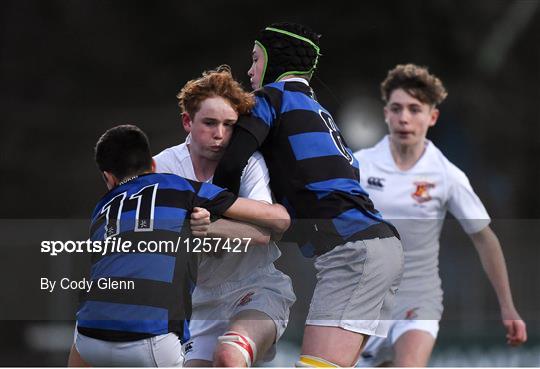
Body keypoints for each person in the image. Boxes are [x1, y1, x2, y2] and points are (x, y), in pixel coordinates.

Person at [212, 23, 404, 367]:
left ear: (274, 60)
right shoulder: (320, 112)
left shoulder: (271, 99)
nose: (250, 70)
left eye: (255, 60)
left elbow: (232, 161)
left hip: (352, 251)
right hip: (381, 246)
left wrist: (214, 211)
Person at [71, 124, 290, 367]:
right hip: (152, 341)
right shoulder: (178, 187)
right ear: (153, 165)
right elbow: (268, 223)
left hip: (88, 339)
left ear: (108, 178)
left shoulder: (100, 210)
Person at [354, 64, 527, 367]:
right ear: (385, 114)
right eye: (396, 108)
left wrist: (508, 307)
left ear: (432, 117)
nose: (404, 118)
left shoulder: (446, 174)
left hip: (419, 298)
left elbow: (485, 240)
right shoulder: (359, 165)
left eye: (414, 109)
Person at [153, 66, 296, 367]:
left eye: (229, 125)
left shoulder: (249, 164)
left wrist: (209, 227)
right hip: (199, 304)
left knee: (230, 356)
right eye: (209, 123)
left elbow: (263, 234)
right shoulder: (162, 167)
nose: (219, 134)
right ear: (187, 122)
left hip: (256, 288)